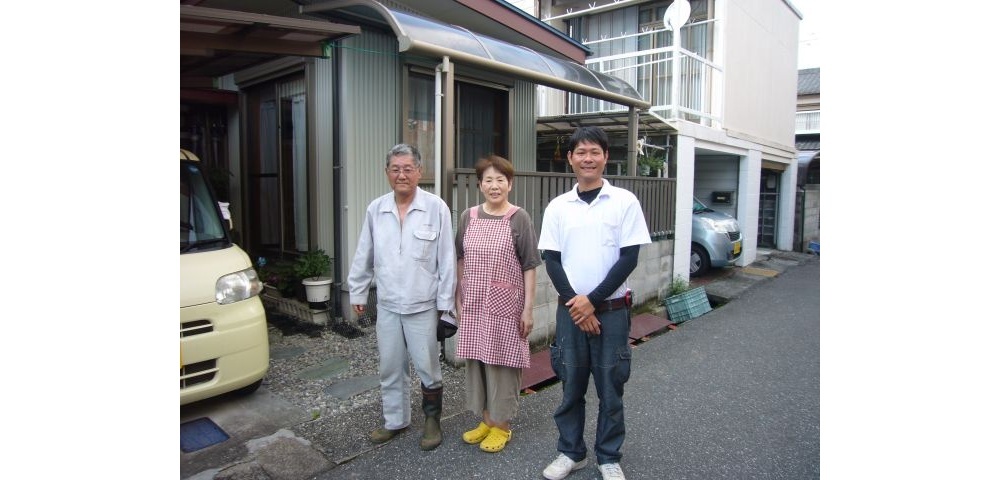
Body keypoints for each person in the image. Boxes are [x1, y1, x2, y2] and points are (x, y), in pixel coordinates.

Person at [537, 127, 651, 480]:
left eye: (595, 152)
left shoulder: (624, 201)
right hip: (571, 313)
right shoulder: (558, 207)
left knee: (610, 388)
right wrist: (577, 305)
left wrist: (593, 301)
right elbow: (551, 259)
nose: (588, 158)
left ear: (605, 157)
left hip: (613, 313)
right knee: (570, 387)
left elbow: (628, 258)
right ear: (570, 158)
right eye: (581, 152)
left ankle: (608, 456)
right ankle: (571, 452)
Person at [347, 143, 456, 451]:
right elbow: (363, 252)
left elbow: (447, 260)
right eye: (395, 169)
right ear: (386, 173)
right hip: (388, 305)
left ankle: (432, 421)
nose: (402, 175)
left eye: (408, 169)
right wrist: (357, 289)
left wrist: (446, 306)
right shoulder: (376, 208)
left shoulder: (436, 208)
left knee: (427, 367)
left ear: (419, 172)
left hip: (423, 306)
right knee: (390, 367)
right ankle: (395, 420)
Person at [454, 155, 541, 453]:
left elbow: (530, 265)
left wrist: (528, 308)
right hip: (474, 302)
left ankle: (502, 426)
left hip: (506, 305)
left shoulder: (519, 218)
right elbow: (460, 258)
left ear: (510, 184)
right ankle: (487, 420)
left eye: (500, 180)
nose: (494, 186)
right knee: (477, 362)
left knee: (502, 364)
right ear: (479, 185)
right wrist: (458, 298)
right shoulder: (469, 216)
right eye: (488, 180)